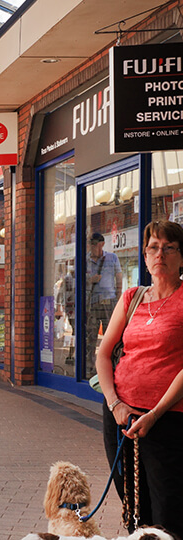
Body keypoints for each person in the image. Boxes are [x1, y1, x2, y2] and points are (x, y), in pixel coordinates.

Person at [97, 220, 183, 536]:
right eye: (153, 248)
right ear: (145, 257)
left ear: (181, 256)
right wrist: (115, 403)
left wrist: (155, 413)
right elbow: (103, 354)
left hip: (167, 420)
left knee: (169, 508)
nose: (160, 254)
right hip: (121, 417)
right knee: (133, 506)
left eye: (169, 247)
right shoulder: (132, 297)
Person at [86, 232, 122, 377]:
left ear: (102, 244)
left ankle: (113, 367)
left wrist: (119, 296)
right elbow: (77, 281)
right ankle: (90, 368)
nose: (93, 247)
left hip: (109, 301)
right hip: (93, 303)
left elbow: (118, 277)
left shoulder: (112, 258)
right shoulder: (85, 260)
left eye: (95, 244)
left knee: (112, 336)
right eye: (91, 244)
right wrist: (90, 280)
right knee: (91, 337)